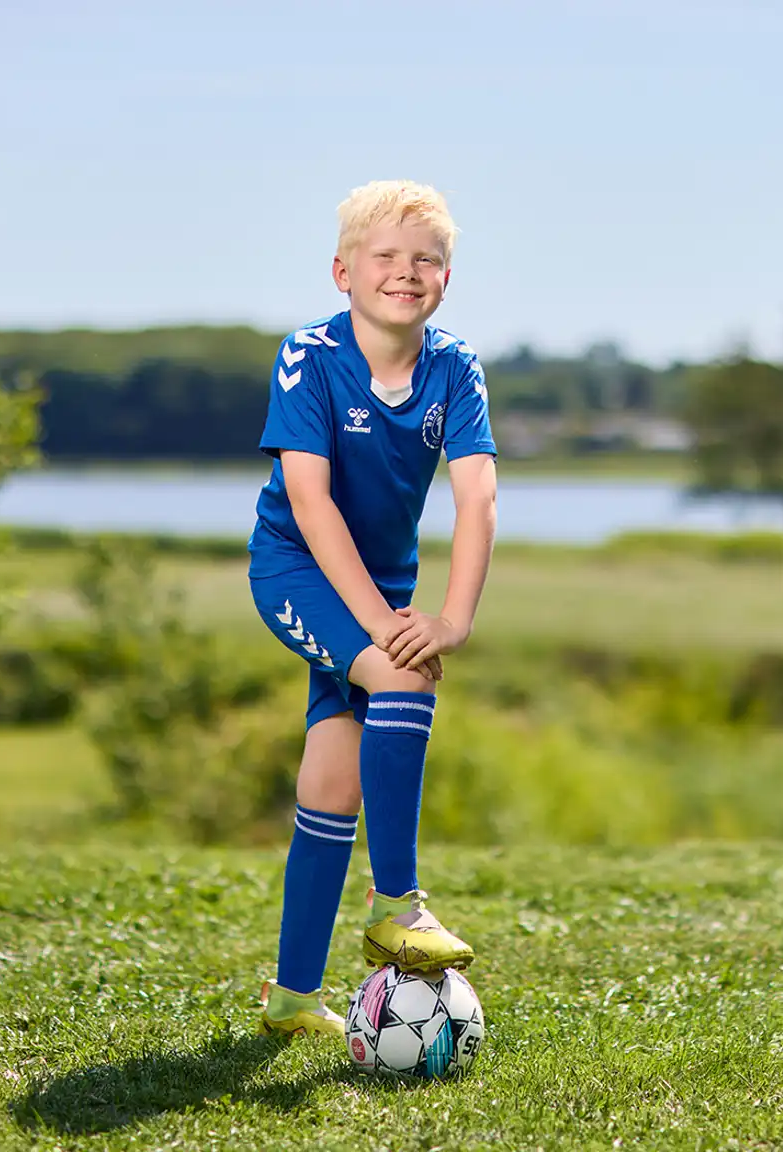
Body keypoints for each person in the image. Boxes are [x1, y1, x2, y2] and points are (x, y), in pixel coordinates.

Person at [246, 179, 498, 1037]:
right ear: (342, 271)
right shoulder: (309, 354)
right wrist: (391, 627)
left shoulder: (454, 365)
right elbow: (311, 505)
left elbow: (478, 499)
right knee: (405, 677)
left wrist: (451, 619)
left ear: (446, 280)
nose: (405, 271)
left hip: (379, 585)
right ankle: (398, 903)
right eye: (384, 256)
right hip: (296, 570)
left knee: (331, 777)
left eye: (426, 259)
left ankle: (290, 999)